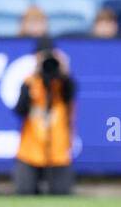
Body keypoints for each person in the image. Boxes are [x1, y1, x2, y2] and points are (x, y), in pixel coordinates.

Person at [12, 41, 76, 195]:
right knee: (24, 192)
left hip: (58, 151)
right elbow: (20, 110)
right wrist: (34, 81)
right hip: (30, 150)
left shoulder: (63, 83)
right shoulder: (29, 82)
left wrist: (64, 71)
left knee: (61, 194)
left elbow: (70, 95)